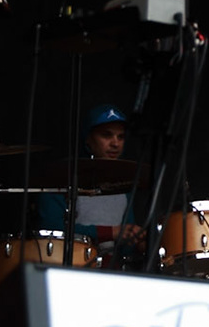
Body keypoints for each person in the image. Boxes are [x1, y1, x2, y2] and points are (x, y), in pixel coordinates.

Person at [35, 104, 146, 263]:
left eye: (121, 137)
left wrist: (138, 241)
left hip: (112, 271)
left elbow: (125, 243)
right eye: (107, 135)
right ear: (88, 138)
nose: (115, 143)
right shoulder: (62, 177)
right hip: (70, 265)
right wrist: (109, 232)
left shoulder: (124, 183)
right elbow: (50, 228)